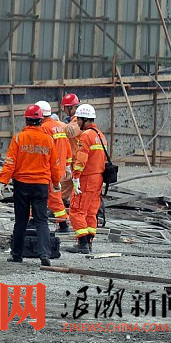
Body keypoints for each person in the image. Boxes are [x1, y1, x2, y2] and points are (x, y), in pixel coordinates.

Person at [0, 104, 58, 266]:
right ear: (41, 120)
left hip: (22, 185)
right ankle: (45, 254)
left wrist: (2, 182)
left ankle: (17, 255)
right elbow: (54, 165)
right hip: (41, 185)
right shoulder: (48, 140)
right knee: (41, 220)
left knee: (21, 221)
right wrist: (57, 182)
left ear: (26, 120)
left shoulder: (18, 138)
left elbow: (10, 162)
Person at [65, 104, 106, 254]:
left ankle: (82, 242)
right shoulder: (100, 135)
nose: (77, 124)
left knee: (76, 209)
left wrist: (75, 178)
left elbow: (81, 159)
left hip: (87, 178)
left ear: (84, 119)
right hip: (98, 179)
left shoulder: (86, 135)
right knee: (90, 211)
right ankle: (88, 242)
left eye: (78, 121)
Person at [37, 100, 71, 233]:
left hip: (49, 169)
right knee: (44, 196)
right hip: (59, 167)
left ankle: (63, 223)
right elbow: (67, 146)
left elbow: (43, 150)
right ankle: (34, 220)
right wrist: (67, 165)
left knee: (52, 197)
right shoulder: (59, 126)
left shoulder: (44, 128)